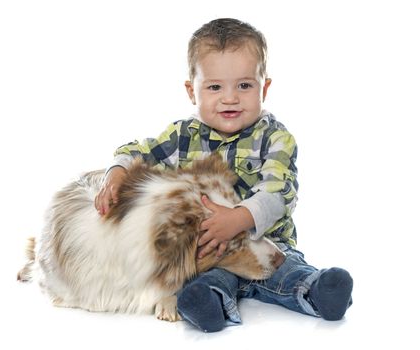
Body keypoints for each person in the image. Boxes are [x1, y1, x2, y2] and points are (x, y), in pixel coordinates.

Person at [95, 18, 353, 332]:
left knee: (287, 271)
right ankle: (206, 306)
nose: (229, 98)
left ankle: (320, 292)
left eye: (244, 85)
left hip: (269, 244)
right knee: (207, 280)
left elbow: (279, 192)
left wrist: (240, 218)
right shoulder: (183, 135)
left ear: (264, 88)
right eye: (215, 87)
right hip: (215, 254)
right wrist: (119, 169)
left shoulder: (275, 138)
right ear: (192, 91)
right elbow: (141, 151)